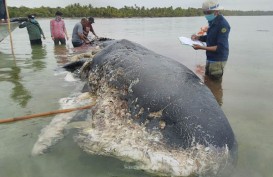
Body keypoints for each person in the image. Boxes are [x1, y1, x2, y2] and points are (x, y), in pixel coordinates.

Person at [191, 0, 230, 80]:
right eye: (204, 12)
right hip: (210, 57)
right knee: (208, 81)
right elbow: (209, 37)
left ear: (216, 12)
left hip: (218, 60)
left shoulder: (223, 25)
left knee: (215, 85)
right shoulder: (211, 22)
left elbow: (220, 47)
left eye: (208, 12)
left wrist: (201, 47)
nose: (206, 15)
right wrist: (198, 37)